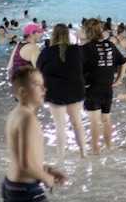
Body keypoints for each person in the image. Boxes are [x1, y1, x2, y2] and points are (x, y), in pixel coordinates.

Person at [2, 66, 66, 201]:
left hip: (12, 185)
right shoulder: (28, 119)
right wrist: (47, 178)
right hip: (26, 189)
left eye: (43, 84)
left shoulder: (15, 114)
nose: (44, 89)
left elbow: (21, 158)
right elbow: (25, 165)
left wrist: (44, 169)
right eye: (37, 85)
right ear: (23, 92)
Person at [35, 24, 87, 161]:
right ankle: (84, 154)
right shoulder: (76, 50)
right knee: (77, 122)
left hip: (54, 91)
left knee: (60, 126)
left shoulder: (46, 52)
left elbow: (38, 70)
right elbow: (84, 67)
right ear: (67, 35)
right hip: (75, 89)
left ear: (53, 35)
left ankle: (61, 159)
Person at [81, 17, 126, 155]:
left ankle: (95, 150)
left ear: (88, 31)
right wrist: (118, 80)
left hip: (92, 87)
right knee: (106, 119)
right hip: (108, 88)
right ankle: (108, 147)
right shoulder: (110, 45)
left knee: (94, 121)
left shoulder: (85, 48)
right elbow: (123, 62)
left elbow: (78, 69)